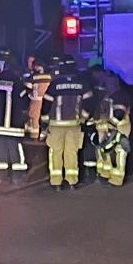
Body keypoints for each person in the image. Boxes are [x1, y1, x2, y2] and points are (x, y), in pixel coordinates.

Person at [43, 55, 93, 190]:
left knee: (56, 152)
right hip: (74, 124)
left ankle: (56, 182)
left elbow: (46, 104)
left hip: (56, 124)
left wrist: (44, 121)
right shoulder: (82, 83)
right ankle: (72, 181)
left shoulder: (55, 84)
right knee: (72, 152)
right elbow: (89, 102)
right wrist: (84, 117)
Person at [0, 55, 31, 184]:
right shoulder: (17, 82)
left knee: (0, 152)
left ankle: (1, 177)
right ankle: (17, 177)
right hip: (13, 126)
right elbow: (24, 102)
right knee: (15, 151)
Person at [88, 58, 133, 187]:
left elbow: (119, 112)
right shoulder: (106, 94)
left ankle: (117, 179)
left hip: (119, 129)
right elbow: (101, 110)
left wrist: (111, 125)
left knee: (119, 153)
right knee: (104, 152)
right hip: (106, 129)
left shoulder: (119, 95)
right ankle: (105, 175)